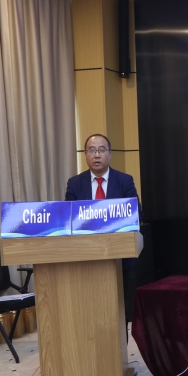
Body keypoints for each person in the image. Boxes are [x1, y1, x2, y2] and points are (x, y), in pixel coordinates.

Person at [65, 134, 142, 326]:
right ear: (85, 154)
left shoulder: (124, 181)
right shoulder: (75, 183)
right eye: (92, 150)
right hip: (86, 259)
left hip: (119, 259)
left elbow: (137, 215)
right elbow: (68, 220)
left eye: (101, 150)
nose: (96, 155)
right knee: (91, 313)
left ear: (109, 154)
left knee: (119, 314)